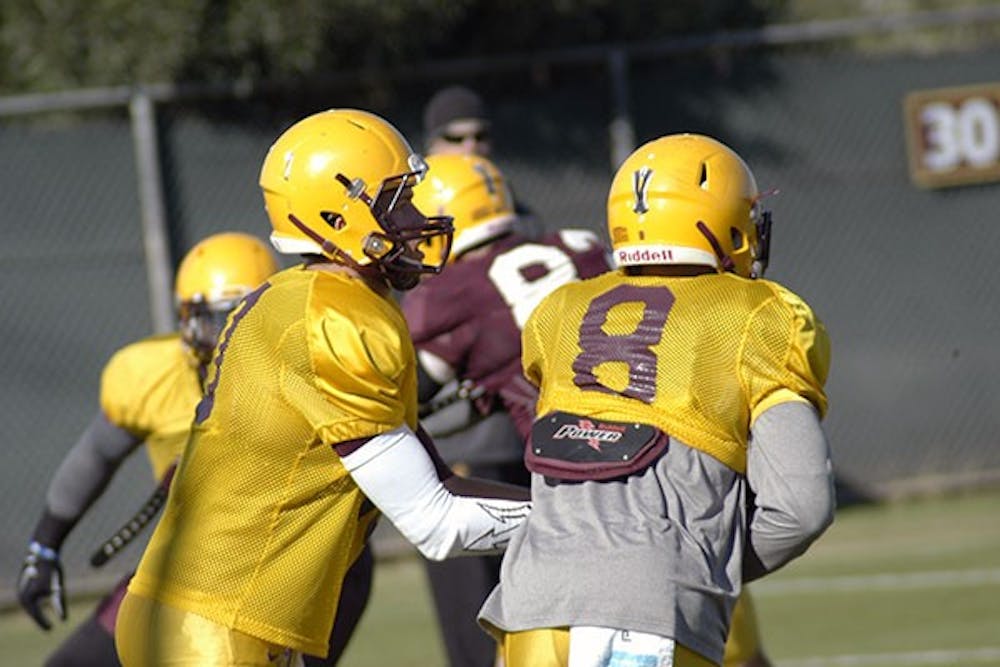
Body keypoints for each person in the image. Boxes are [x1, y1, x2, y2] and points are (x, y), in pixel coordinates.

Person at [113, 108, 533, 666]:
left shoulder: (300, 297)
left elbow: (429, 476)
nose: (416, 216)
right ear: (338, 216)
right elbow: (436, 520)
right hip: (218, 631)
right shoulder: (334, 318)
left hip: (206, 614)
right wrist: (593, 522)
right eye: (396, 201)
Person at [478, 133, 836, 667]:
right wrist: (705, 566)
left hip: (530, 604)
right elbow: (801, 508)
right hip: (647, 609)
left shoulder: (559, 311)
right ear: (728, 224)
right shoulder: (759, 315)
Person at [16, 232, 280, 665]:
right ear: (188, 319)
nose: (229, 337)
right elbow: (97, 455)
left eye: (244, 318)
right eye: (216, 320)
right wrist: (44, 546)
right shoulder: (150, 377)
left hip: (289, 572)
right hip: (187, 569)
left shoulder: (300, 375)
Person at [402, 153, 610, 666]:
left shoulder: (454, 294)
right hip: (659, 462)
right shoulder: (581, 245)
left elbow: (408, 398)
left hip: (576, 492)